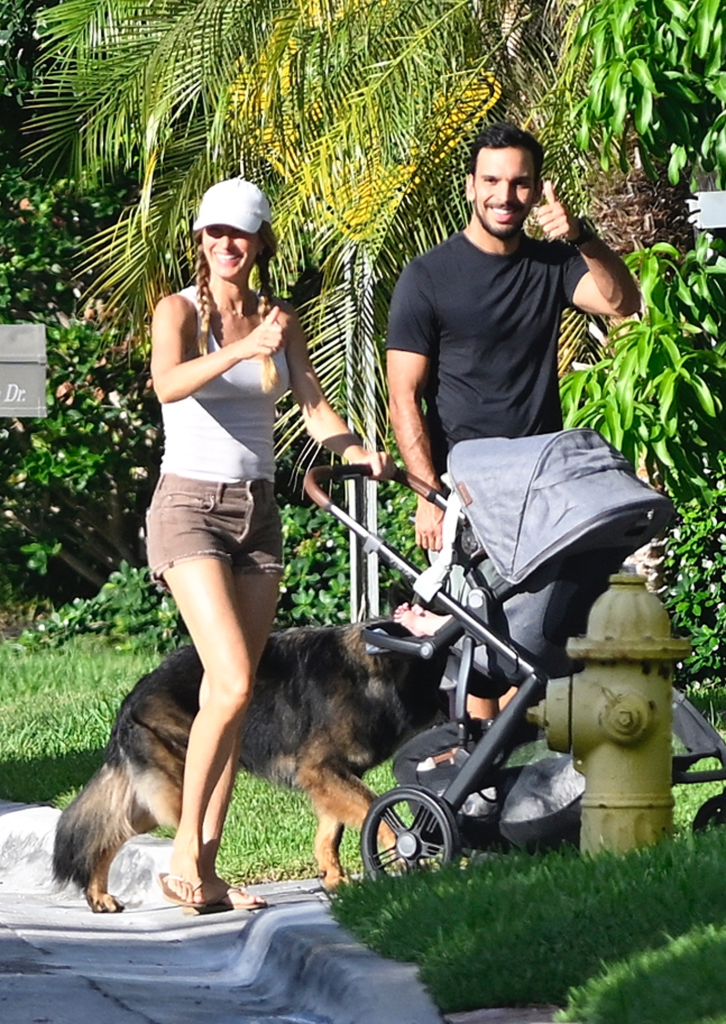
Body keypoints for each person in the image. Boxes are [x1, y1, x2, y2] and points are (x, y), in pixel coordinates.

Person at [146, 177, 393, 911]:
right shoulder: (179, 309)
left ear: (259, 245)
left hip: (257, 512)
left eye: (240, 235)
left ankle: (209, 870)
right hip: (188, 505)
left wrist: (356, 451)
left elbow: (314, 407)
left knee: (239, 689)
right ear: (200, 240)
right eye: (214, 233)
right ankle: (185, 850)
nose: (226, 245)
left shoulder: (280, 320)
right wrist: (240, 349)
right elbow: (167, 383)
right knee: (228, 682)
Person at [386, 122, 640, 715]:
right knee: (484, 647)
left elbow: (622, 302)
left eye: (520, 183)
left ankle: (513, 784)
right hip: (468, 494)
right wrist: (429, 494)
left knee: (534, 645)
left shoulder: (553, 263)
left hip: (541, 491)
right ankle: (478, 787)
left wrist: (584, 238)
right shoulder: (429, 276)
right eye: (493, 181)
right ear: (472, 186)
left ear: (535, 189)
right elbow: (405, 396)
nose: (506, 195)